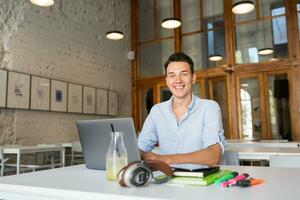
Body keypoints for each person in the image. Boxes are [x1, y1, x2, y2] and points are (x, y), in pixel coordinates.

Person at [137, 52, 226, 169]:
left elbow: (214, 156)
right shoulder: (157, 111)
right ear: (167, 80)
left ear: (193, 78)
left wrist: (166, 159)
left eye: (184, 74)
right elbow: (140, 149)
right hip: (167, 180)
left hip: (201, 181)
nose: (178, 80)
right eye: (172, 75)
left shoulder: (209, 108)